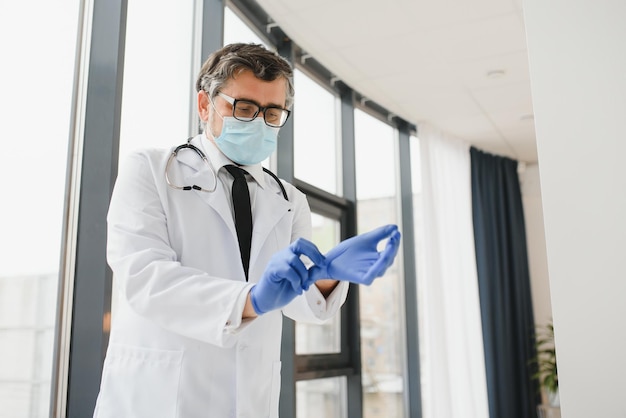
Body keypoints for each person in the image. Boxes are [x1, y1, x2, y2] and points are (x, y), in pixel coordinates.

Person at [93, 43, 401, 418]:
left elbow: (299, 306)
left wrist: (326, 276)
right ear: (205, 105)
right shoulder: (151, 171)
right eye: (244, 108)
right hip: (159, 398)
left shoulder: (288, 199)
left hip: (250, 400)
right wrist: (251, 299)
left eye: (272, 112)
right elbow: (145, 279)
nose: (258, 122)